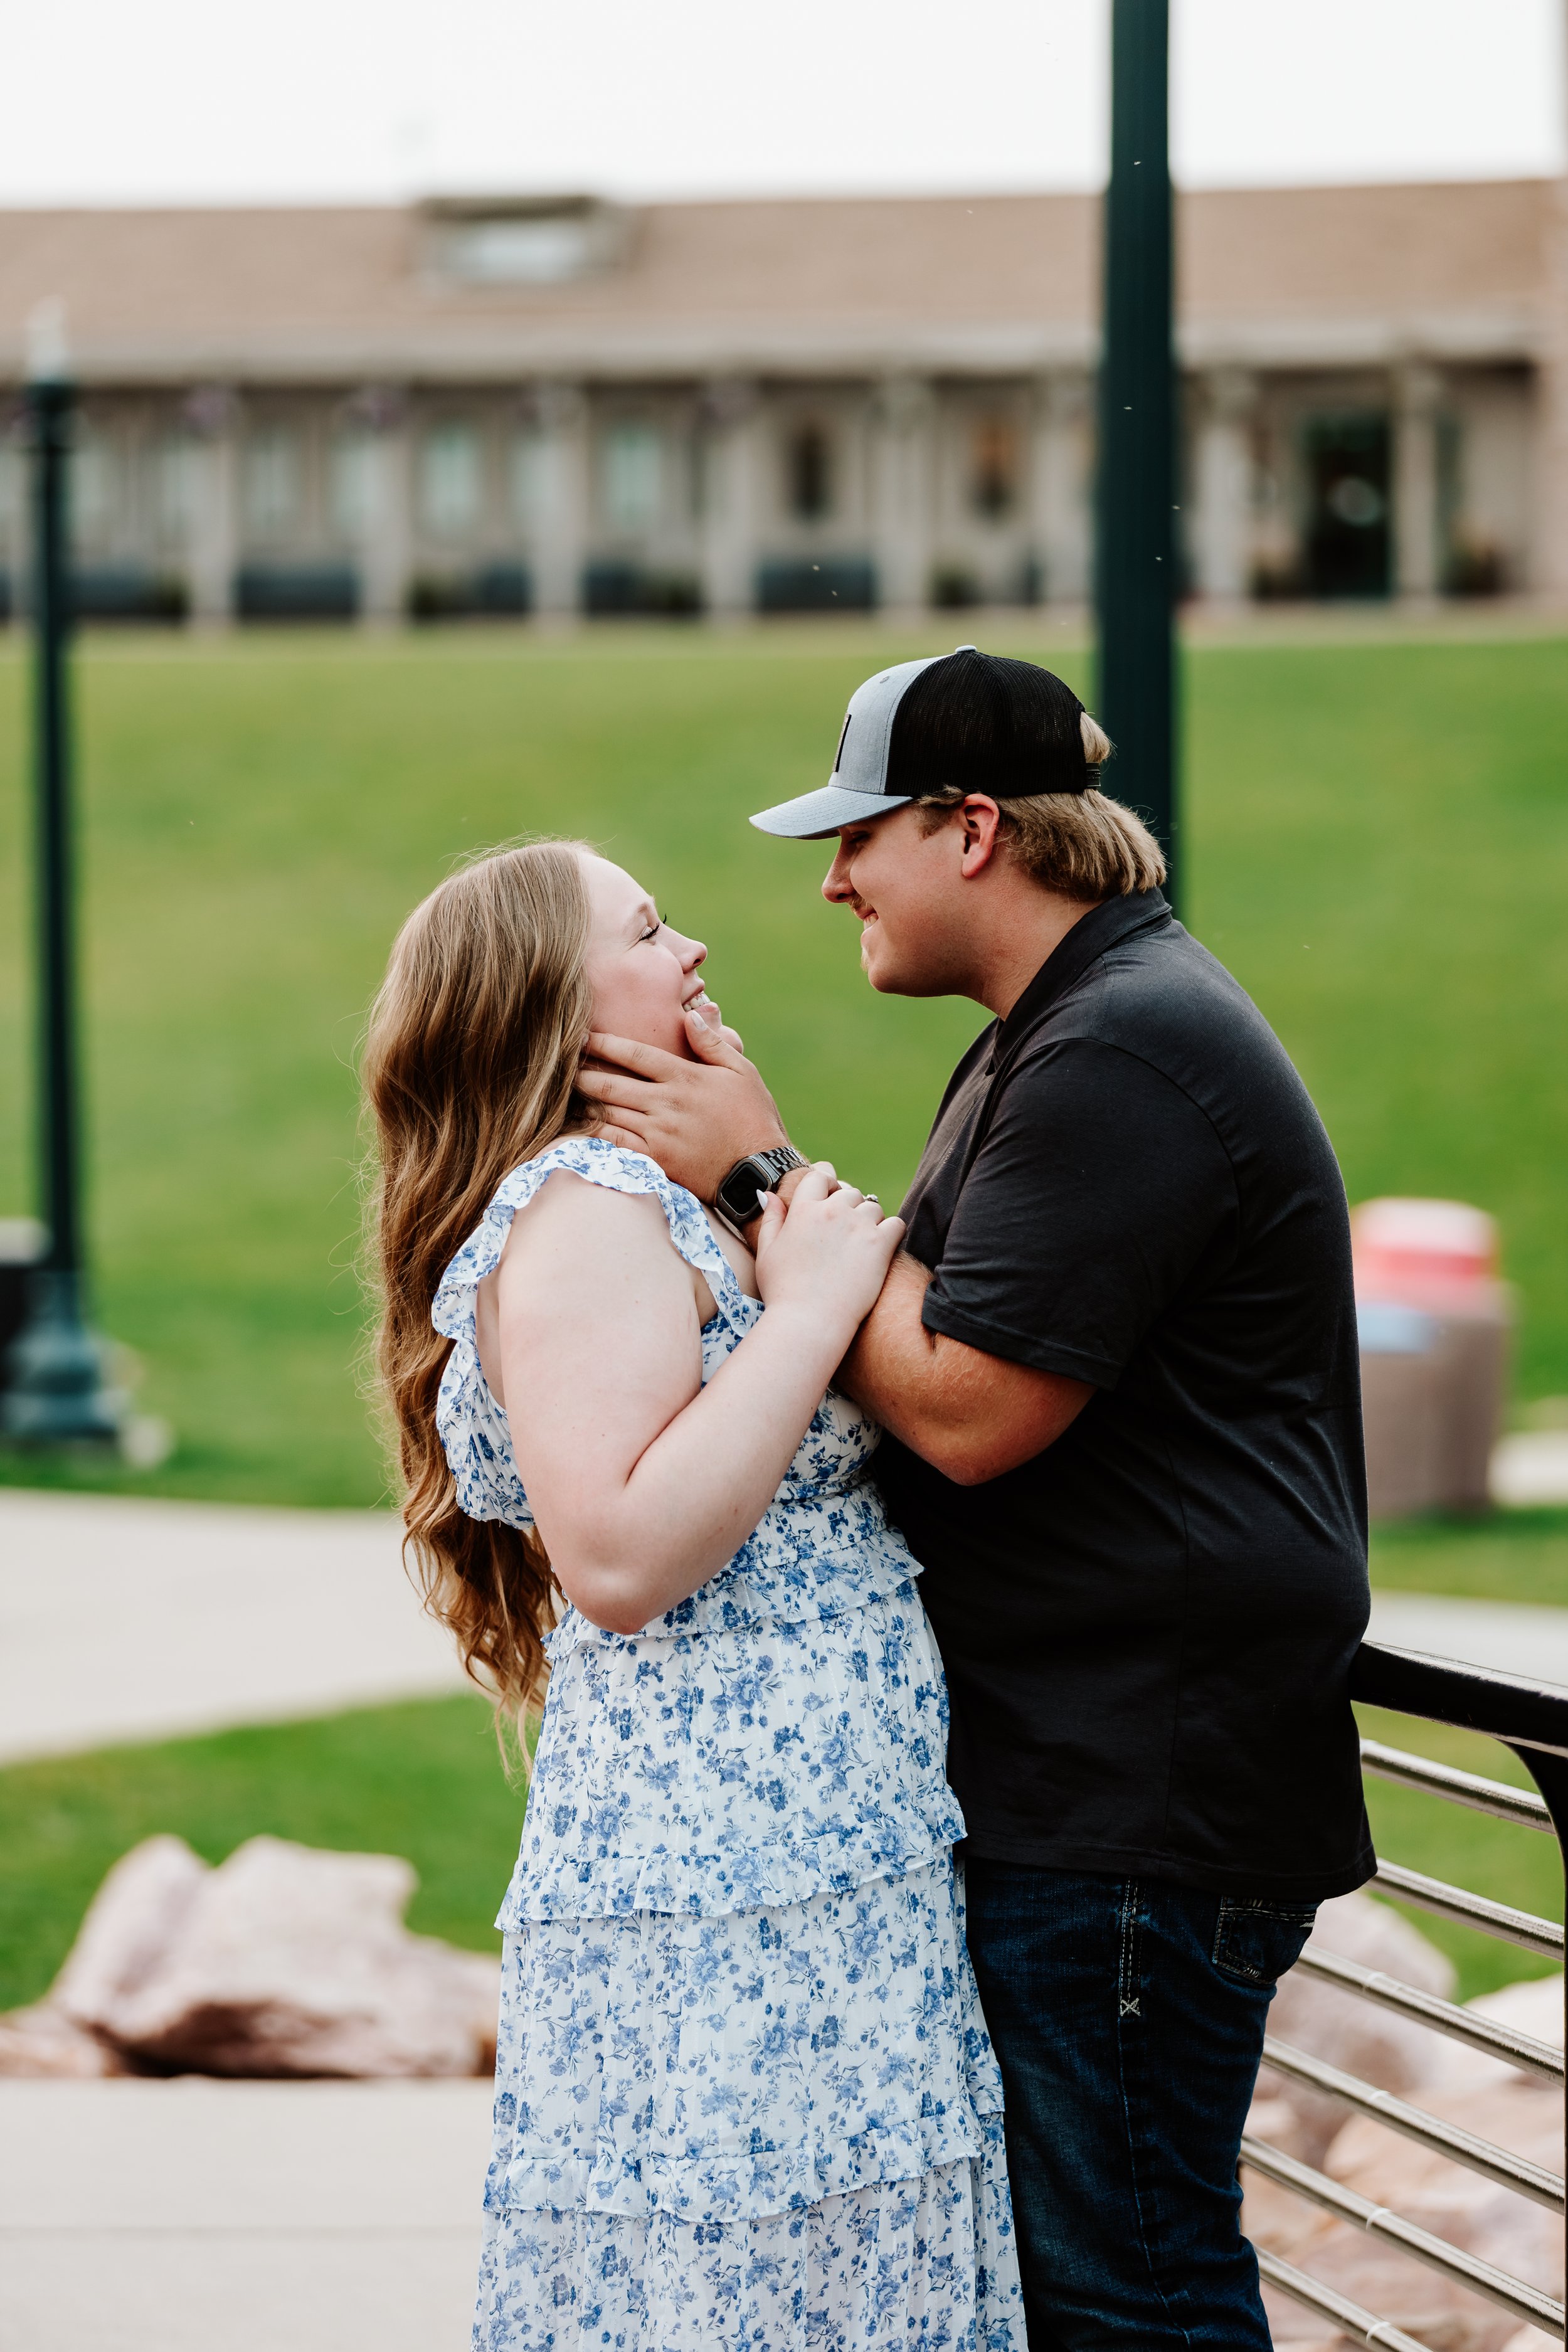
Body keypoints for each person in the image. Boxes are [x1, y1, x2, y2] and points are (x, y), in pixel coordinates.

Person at [578, 645, 1375, 2348]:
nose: (831, 874)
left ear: (967, 827)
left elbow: (962, 1407)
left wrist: (756, 1168)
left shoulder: (1120, 1055)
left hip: (1133, 1793)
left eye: (859, 830)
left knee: (1129, 2286)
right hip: (1101, 1779)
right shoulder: (1070, 1028)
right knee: (1094, 2272)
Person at [363, 839, 1024, 2351]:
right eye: (651, 932)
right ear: (555, 1005)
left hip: (808, 1855)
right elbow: (616, 1557)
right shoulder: (588, 1209)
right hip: (728, 1868)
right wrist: (809, 1312)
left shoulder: (653, 1193)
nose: (695, 950)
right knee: (746, 2287)